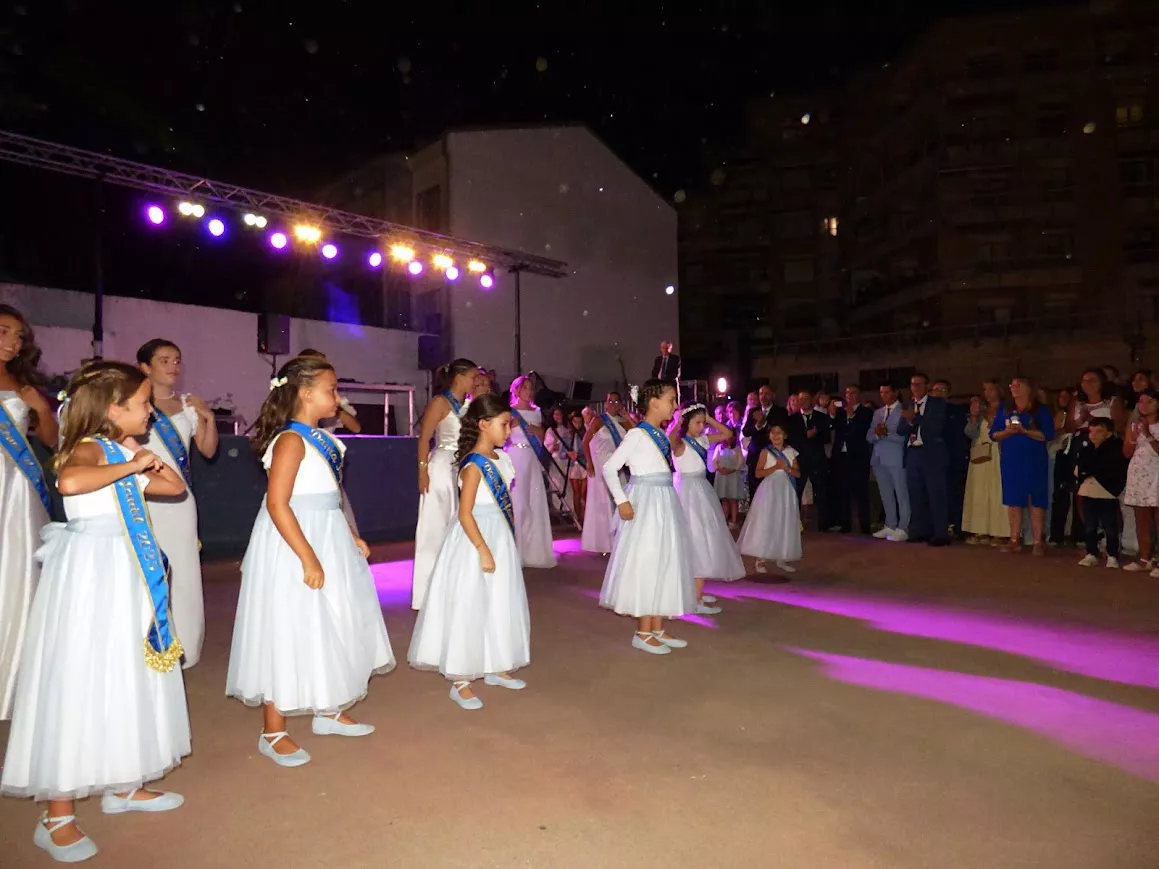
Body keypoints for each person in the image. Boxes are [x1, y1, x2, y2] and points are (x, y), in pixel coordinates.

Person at [1, 361, 190, 863]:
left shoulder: (119, 449)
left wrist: (139, 457)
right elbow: (70, 483)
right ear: (113, 408)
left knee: (126, 674)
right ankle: (56, 815)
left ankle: (123, 782)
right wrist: (130, 465)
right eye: (144, 403)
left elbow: (174, 488)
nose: (150, 411)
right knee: (80, 679)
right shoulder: (85, 447)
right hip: (90, 577)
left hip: (125, 573)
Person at [226, 356, 395, 768]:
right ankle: (273, 730)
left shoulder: (323, 439)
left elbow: (329, 492)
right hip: (295, 539)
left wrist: (348, 533)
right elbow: (278, 503)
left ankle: (328, 708)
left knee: (333, 618)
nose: (338, 397)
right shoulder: (290, 440)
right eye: (331, 389)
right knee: (288, 625)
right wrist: (308, 557)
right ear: (305, 393)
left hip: (328, 533)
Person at [408, 394, 531, 710]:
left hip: (498, 535)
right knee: (471, 601)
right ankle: (461, 679)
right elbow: (464, 513)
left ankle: (495, 663)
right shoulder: (473, 466)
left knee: (499, 598)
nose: (509, 430)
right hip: (474, 537)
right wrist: (483, 549)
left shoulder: (502, 459)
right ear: (483, 424)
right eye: (504, 424)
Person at [136, 339, 218, 669]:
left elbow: (209, 451)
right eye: (164, 360)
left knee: (182, 572)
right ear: (145, 367)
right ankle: (148, 642)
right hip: (143, 497)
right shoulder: (133, 404)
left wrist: (207, 418)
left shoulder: (187, 404)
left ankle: (184, 645)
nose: (173, 366)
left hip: (181, 501)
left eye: (177, 360)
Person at [598, 380, 696, 654]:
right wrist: (621, 501)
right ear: (653, 402)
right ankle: (643, 632)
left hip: (664, 501)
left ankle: (657, 627)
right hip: (646, 504)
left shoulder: (661, 435)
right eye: (670, 399)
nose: (674, 405)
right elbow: (610, 468)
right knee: (648, 561)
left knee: (665, 560)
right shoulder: (637, 435)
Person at [0, 304, 56, 721]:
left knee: (19, 579)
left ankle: (17, 678)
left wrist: (39, 409)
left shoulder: (22, 383)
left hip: (17, 490)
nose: (12, 343)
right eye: (4, 332)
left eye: (18, 336)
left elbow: (52, 441)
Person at [668, 402, 745, 615]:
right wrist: (678, 421)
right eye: (697, 422)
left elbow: (727, 432)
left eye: (703, 423)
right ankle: (694, 598)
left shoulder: (702, 439)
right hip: (687, 491)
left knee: (703, 538)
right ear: (686, 423)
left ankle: (695, 591)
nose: (701, 426)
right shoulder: (680, 442)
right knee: (694, 541)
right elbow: (669, 440)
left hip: (702, 489)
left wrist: (708, 417)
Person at [412, 359, 477, 610]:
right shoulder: (440, 402)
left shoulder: (467, 405)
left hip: (461, 467)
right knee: (435, 527)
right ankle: (427, 591)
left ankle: (453, 586)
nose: (474, 382)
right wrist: (422, 472)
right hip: (440, 468)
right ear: (459, 377)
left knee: (458, 526)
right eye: (472, 377)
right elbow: (424, 438)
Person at [295, 349, 361, 533]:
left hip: (325, 474)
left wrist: (334, 406)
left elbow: (356, 427)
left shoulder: (332, 402)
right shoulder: (292, 434)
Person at [992, 376, 1055, 554]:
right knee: (1013, 499)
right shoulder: (1005, 410)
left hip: (1034, 459)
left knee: (1035, 499)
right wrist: (1007, 431)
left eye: (1018, 385)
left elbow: (1047, 435)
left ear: (1028, 388)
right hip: (1012, 458)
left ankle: (1037, 541)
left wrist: (1025, 431)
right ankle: (1014, 539)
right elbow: (994, 434)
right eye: (1012, 385)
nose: (1014, 388)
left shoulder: (1040, 410)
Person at [506, 375, 557, 568]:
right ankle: (516, 553)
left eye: (530, 388)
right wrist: (512, 425)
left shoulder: (536, 412)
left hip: (531, 459)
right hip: (515, 457)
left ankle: (533, 552)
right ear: (516, 391)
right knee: (519, 505)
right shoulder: (510, 412)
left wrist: (538, 431)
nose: (529, 391)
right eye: (525, 388)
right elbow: (502, 436)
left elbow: (542, 436)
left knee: (533, 503)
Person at [737, 423, 802, 574]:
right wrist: (775, 467)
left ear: (785, 435)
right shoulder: (766, 452)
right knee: (767, 521)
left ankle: (782, 556)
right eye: (773, 433)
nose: (776, 436)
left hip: (786, 490)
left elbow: (798, 474)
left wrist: (786, 468)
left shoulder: (791, 452)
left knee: (784, 521)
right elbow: (758, 473)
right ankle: (761, 558)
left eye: (779, 432)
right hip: (769, 490)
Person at [898, 373, 950, 546]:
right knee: (916, 494)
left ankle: (940, 534)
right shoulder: (909, 404)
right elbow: (900, 429)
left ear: (927, 386)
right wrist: (909, 422)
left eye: (919, 384)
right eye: (912, 384)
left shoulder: (937, 403)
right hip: (913, 453)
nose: (915, 388)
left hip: (931, 454)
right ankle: (921, 531)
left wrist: (915, 418)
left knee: (936, 495)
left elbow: (935, 427)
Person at [581, 391, 633, 554]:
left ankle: (619, 538)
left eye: (617, 402)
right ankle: (603, 541)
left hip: (617, 463)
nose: (614, 404)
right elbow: (585, 441)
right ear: (606, 403)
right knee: (602, 501)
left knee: (620, 498)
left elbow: (637, 432)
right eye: (611, 401)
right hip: (600, 462)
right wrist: (589, 462)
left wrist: (627, 417)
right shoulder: (599, 420)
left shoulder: (623, 422)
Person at [1075, 415, 1128, 568]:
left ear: (1109, 433)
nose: (1094, 435)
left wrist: (1091, 470)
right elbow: (1082, 467)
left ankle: (1112, 554)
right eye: (1091, 432)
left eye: (1099, 432)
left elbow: (1109, 469)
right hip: (1089, 490)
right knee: (1090, 524)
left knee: (1110, 525)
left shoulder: (1115, 448)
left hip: (1107, 492)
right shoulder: (1086, 448)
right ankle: (1091, 552)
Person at [868, 382, 909, 541]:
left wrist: (886, 434)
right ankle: (890, 524)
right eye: (881, 392)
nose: (883, 395)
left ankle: (903, 526)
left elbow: (904, 437)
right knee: (885, 494)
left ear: (895, 393)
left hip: (896, 457)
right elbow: (869, 436)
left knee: (901, 493)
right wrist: (877, 435)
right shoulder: (878, 412)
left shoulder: (903, 411)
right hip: (878, 458)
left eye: (886, 392)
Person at [831, 384, 874, 534]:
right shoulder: (840, 412)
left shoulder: (866, 412)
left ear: (859, 395)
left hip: (858, 457)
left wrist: (851, 416)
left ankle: (865, 525)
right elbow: (836, 429)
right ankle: (845, 524)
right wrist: (834, 414)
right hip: (841, 456)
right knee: (843, 492)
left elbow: (861, 431)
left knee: (860, 492)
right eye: (847, 393)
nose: (849, 396)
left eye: (853, 393)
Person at [787, 389, 832, 530]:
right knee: (796, 493)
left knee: (821, 493)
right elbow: (791, 439)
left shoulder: (821, 417)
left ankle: (823, 525)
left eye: (806, 398)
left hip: (817, 460)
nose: (803, 401)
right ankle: (794, 524)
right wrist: (805, 435)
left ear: (811, 400)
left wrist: (815, 434)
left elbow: (827, 438)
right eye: (801, 399)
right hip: (799, 461)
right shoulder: (792, 419)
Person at [712, 401, 746, 529]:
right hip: (722, 475)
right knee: (724, 499)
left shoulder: (736, 448)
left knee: (733, 499)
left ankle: (734, 520)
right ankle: (724, 519)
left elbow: (740, 461)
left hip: (732, 476)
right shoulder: (719, 447)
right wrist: (720, 469)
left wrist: (732, 470)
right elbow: (714, 461)